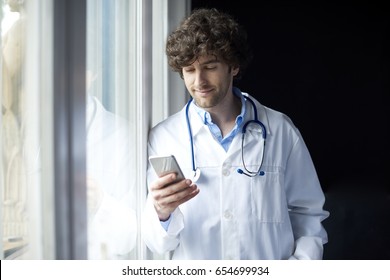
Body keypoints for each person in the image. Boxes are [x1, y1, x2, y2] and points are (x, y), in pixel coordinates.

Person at [142, 8, 329, 260]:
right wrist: (162, 213)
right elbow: (159, 245)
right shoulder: (164, 138)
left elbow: (308, 214)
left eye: (210, 67)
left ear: (233, 66)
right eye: (189, 70)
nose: (199, 81)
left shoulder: (280, 129)